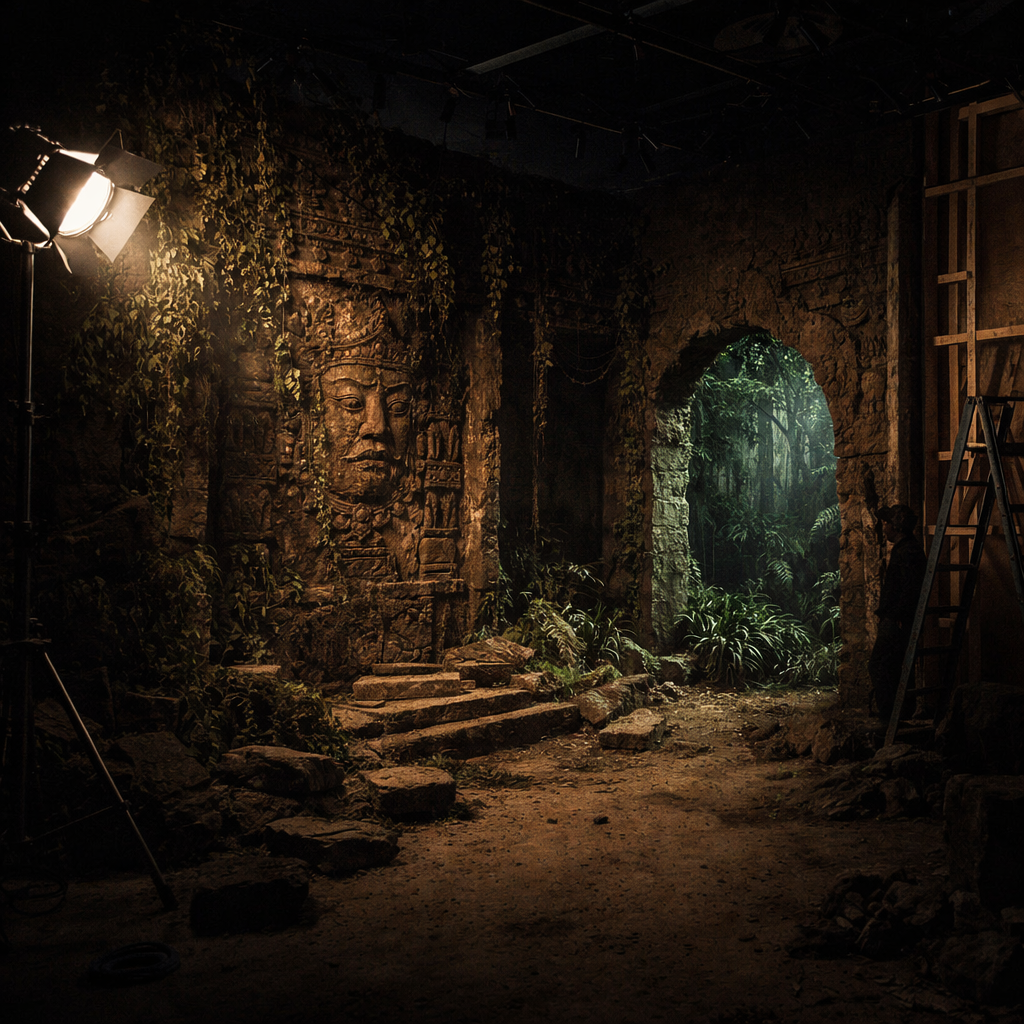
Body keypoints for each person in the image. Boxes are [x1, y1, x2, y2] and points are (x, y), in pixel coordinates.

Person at [868, 503, 928, 722]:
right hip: (896, 618)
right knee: (892, 666)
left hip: (897, 620)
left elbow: (910, 589)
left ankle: (891, 717)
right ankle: (898, 715)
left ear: (896, 527)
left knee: (879, 664)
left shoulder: (907, 552)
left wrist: (898, 617)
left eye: (886, 524)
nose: (884, 528)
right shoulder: (907, 549)